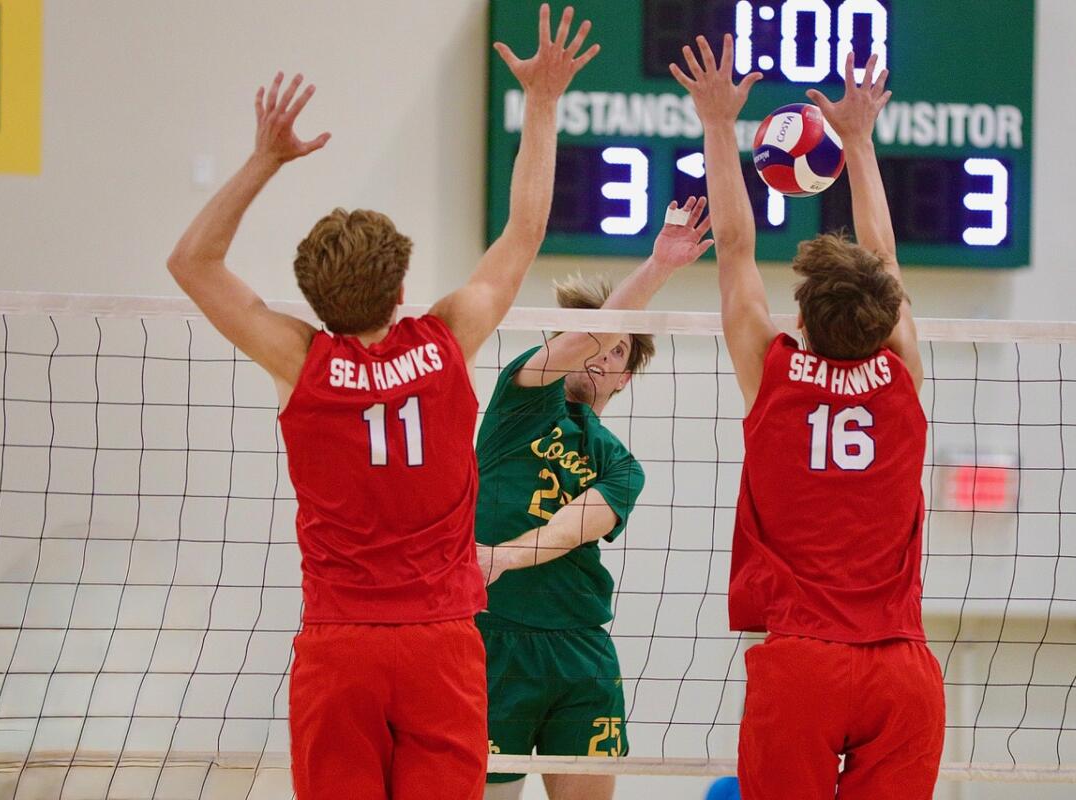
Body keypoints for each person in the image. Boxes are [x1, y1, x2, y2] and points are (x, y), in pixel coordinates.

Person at [164, 6, 598, 798]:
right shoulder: (446, 338)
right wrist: (540, 104)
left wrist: (265, 158)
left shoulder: (297, 359)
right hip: (441, 645)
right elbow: (526, 230)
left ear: (314, 297)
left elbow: (192, 262)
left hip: (343, 646)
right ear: (402, 288)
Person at [670, 37, 945, 800]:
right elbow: (883, 256)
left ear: (802, 313)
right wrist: (857, 140)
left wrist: (720, 125)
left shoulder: (776, 376)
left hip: (804, 665)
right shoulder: (901, 379)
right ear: (887, 318)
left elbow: (734, 247)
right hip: (901, 668)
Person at [475, 199, 713, 800]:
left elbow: (575, 526)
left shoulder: (622, 465)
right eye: (594, 343)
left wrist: (504, 555)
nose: (602, 356)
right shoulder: (519, 401)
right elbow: (591, 335)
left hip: (580, 648)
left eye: (617, 353)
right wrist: (658, 265)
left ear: (627, 376)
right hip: (494, 639)